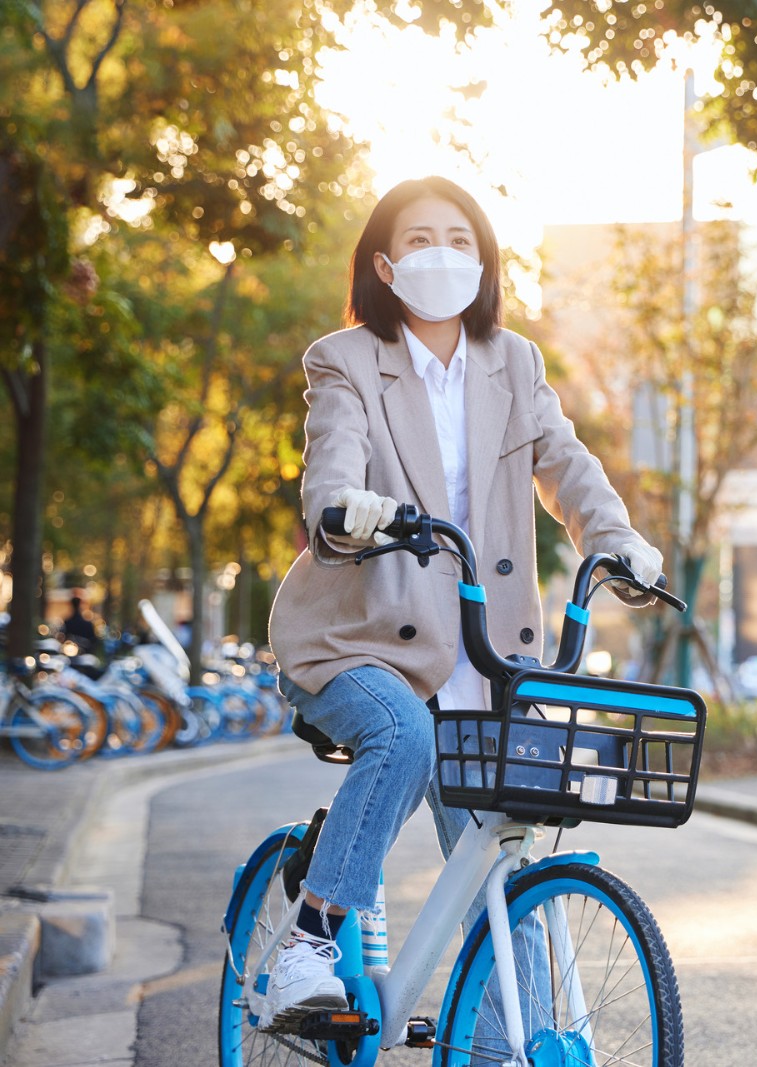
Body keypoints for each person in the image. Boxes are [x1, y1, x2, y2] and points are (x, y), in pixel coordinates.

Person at [263, 176, 663, 1029]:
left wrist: (616, 538)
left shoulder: (513, 362)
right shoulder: (345, 359)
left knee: (497, 866)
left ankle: (497, 1048)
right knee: (401, 734)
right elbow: (332, 457)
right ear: (383, 261)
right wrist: (343, 505)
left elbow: (567, 464)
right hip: (354, 639)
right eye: (417, 240)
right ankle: (309, 939)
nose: (438, 253)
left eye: (458, 238)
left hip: (482, 650)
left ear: (483, 262)